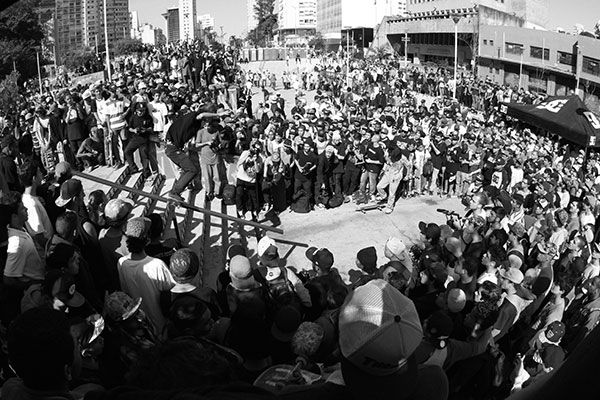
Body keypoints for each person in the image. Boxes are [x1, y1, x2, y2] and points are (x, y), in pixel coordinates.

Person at [117, 217, 175, 336]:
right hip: (161, 324)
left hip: (140, 324)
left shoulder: (122, 263)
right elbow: (169, 293)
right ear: (147, 240)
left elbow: (125, 291)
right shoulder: (157, 265)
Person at [164, 106, 228, 202]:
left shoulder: (192, 123)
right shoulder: (193, 116)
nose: (207, 124)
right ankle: (174, 192)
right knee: (191, 170)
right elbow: (201, 115)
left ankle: (176, 192)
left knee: (189, 169)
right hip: (172, 148)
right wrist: (218, 114)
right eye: (207, 121)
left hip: (173, 147)